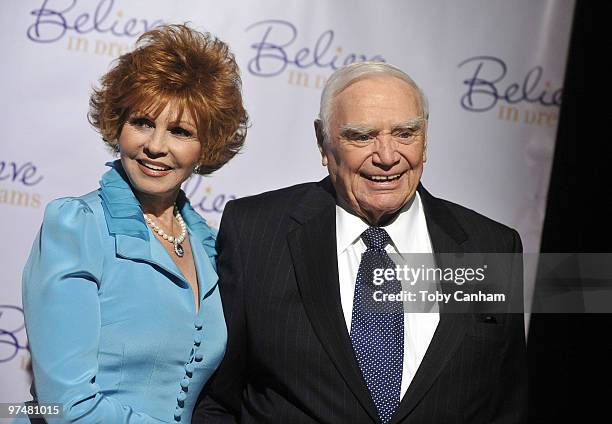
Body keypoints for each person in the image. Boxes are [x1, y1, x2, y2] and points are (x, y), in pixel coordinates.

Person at [195, 62, 527, 423]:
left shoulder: (491, 246)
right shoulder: (256, 232)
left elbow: (506, 406)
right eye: (362, 136)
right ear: (323, 141)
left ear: (426, 137)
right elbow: (216, 400)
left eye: (405, 133)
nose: (387, 156)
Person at [22, 24, 248, 423]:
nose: (156, 146)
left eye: (180, 131)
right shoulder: (77, 226)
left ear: (206, 147)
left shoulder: (208, 245)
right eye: (142, 122)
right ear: (118, 125)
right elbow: (67, 406)